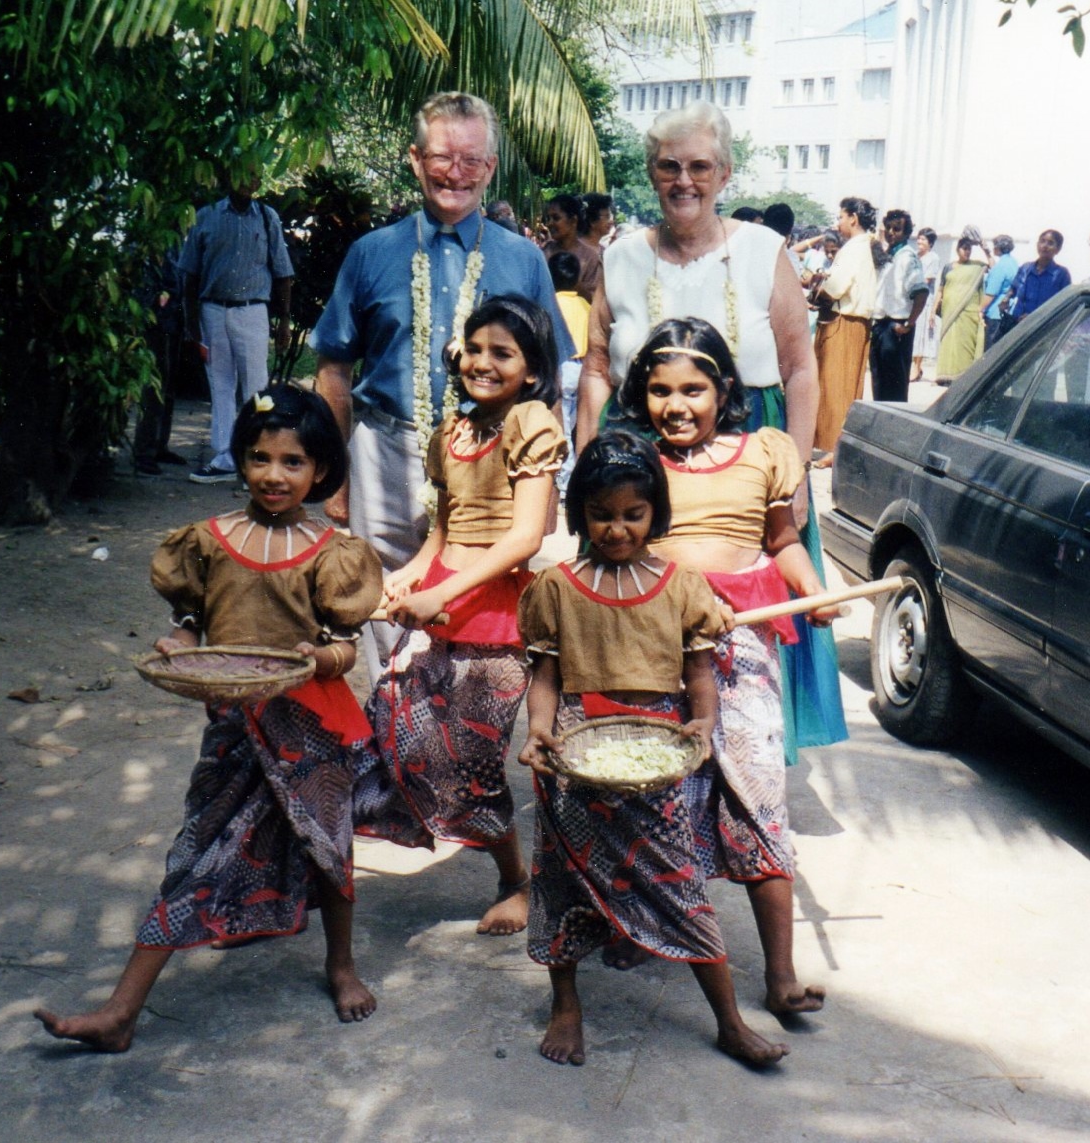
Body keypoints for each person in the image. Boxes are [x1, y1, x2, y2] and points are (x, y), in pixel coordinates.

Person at [34, 386, 382, 1052]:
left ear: (320, 471)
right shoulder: (210, 541)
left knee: (329, 848)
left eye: (292, 462)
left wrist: (322, 659)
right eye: (259, 457)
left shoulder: (333, 550)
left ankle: (341, 963)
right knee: (195, 855)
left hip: (312, 728)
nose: (273, 475)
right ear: (240, 459)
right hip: (234, 731)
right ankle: (121, 1011)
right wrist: (182, 643)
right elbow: (190, 621)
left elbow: (347, 640)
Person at [573, 99, 846, 755]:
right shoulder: (622, 258)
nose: (683, 181)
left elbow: (799, 366)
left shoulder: (763, 250)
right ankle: (647, 745)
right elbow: (598, 369)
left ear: (724, 174)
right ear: (651, 172)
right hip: (639, 455)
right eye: (668, 167)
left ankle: (748, 753)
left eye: (700, 166)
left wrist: (798, 468)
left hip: (751, 453)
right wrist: (586, 469)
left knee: (746, 600)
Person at [517, 430, 790, 1069]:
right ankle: (566, 1006)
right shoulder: (556, 588)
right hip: (576, 753)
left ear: (656, 513)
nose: (616, 529)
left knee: (678, 882)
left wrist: (701, 722)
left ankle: (727, 1021)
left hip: (655, 754)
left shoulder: (680, 586)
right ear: (579, 512)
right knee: (563, 882)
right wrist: (539, 732)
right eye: (601, 514)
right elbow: (547, 679)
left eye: (632, 514)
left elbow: (699, 673)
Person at [311, 92, 572, 673]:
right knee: (381, 590)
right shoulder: (369, 253)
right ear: (414, 159)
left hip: (493, 455)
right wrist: (335, 474)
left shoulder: (524, 258)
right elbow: (333, 368)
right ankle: (395, 718)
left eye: (471, 159)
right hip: (387, 448)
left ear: (492, 168)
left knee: (476, 595)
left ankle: (452, 733)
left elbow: (548, 380)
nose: (456, 172)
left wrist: (547, 487)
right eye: (442, 157)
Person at [617, 318, 833, 1020]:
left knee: (758, 796)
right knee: (655, 792)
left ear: (725, 390)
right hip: (652, 644)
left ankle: (779, 972)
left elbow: (783, 541)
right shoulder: (635, 459)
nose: (675, 404)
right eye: (658, 390)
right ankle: (641, 930)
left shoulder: (764, 452)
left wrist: (811, 591)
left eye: (692, 388)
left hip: (740, 647)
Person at [353, 296, 566, 937]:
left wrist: (443, 594)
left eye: (502, 353)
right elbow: (443, 530)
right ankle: (488, 858)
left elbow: (524, 537)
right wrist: (411, 574)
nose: (483, 363)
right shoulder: (455, 430)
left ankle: (518, 879)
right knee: (399, 727)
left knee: (472, 756)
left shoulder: (530, 421)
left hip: (499, 610)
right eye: (474, 349)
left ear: (531, 370)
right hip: (448, 595)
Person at [181, 179, 294, 484]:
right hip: (213, 311)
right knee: (220, 386)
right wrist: (192, 325)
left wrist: (284, 321)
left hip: (253, 310)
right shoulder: (207, 216)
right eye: (241, 173)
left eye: (255, 174)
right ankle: (225, 458)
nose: (248, 181)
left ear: (259, 180)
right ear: (229, 176)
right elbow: (189, 275)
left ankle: (257, 457)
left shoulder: (267, 217)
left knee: (257, 388)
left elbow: (283, 273)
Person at [812, 197, 878, 457]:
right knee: (845, 386)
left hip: (843, 323)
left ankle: (832, 448)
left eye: (840, 217)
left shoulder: (853, 248)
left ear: (853, 218)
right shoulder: (863, 247)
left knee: (835, 388)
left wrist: (815, 292)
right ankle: (834, 447)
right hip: (853, 323)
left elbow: (837, 287)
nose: (838, 222)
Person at [132, 245, 191, 476]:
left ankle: (158, 445)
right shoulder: (148, 240)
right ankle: (143, 451)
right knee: (153, 388)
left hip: (173, 320)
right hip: (154, 322)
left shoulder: (177, 241)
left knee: (168, 387)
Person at [867, 208, 928, 404]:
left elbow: (921, 293)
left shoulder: (908, 258)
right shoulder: (887, 256)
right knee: (879, 383)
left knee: (894, 388)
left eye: (897, 229)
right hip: (881, 326)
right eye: (889, 229)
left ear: (907, 233)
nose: (892, 233)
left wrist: (908, 324)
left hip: (897, 328)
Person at [549, 251, 591, 493]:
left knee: (563, 426)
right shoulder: (585, 305)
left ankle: (564, 483)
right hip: (581, 369)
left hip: (560, 368)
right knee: (573, 425)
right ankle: (569, 477)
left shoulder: (551, 304)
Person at [935, 228, 987, 383]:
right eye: (964, 249)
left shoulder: (977, 266)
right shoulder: (948, 267)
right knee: (949, 343)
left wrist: (984, 247)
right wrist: (933, 311)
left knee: (965, 346)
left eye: (969, 249)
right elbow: (940, 290)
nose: (967, 252)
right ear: (957, 249)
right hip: (949, 311)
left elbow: (993, 266)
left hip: (968, 313)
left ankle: (963, 377)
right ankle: (945, 376)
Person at [1002, 229, 1071, 335]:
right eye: (1042, 241)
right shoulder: (1025, 269)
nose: (1045, 246)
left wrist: (1034, 318)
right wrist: (1006, 299)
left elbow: (1065, 305)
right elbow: (1013, 289)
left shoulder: (1061, 274)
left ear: (1058, 249)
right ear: (1037, 245)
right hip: (1017, 327)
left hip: (1042, 331)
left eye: (1050, 243)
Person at [542, 193, 603, 300]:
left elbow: (595, 300)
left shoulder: (590, 257)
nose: (549, 223)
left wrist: (574, 284)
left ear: (573, 221)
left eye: (556, 218)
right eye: (548, 218)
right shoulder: (545, 251)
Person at [909, 227, 941, 382]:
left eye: (923, 239)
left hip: (924, 299)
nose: (920, 242)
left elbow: (927, 279)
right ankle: (915, 367)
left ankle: (916, 367)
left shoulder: (933, 258)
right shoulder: (914, 256)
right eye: (919, 238)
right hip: (911, 298)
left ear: (930, 243)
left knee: (920, 334)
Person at [981, 235, 1018, 349]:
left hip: (995, 313)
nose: (993, 249)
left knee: (990, 349)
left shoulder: (1001, 267)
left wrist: (980, 310)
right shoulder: (1012, 263)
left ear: (999, 247)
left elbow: (991, 293)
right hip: (1008, 313)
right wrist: (987, 253)